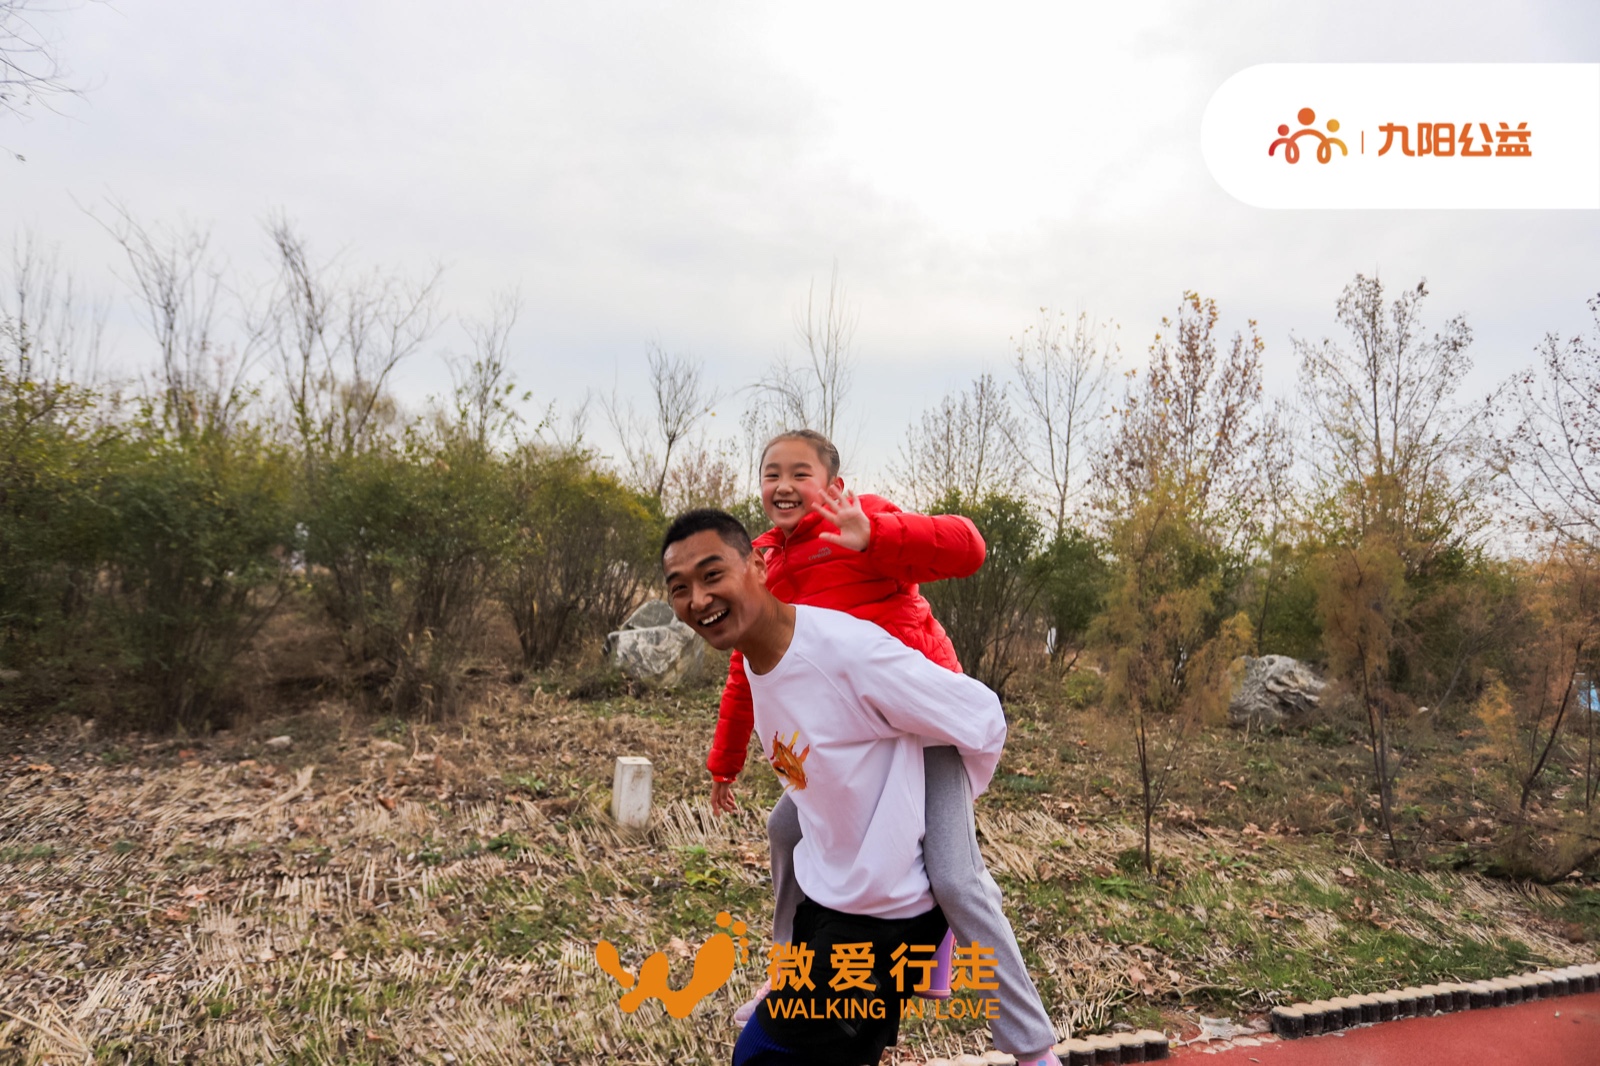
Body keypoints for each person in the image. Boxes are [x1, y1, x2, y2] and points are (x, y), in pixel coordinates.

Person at [663, 509, 1062, 1066]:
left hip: (892, 909)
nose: (698, 600)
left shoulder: (848, 652)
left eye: (712, 576)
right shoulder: (757, 659)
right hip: (835, 900)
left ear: (758, 565)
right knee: (783, 826)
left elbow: (980, 714)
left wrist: (936, 801)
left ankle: (1032, 1049)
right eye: (679, 588)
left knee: (956, 881)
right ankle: (786, 968)